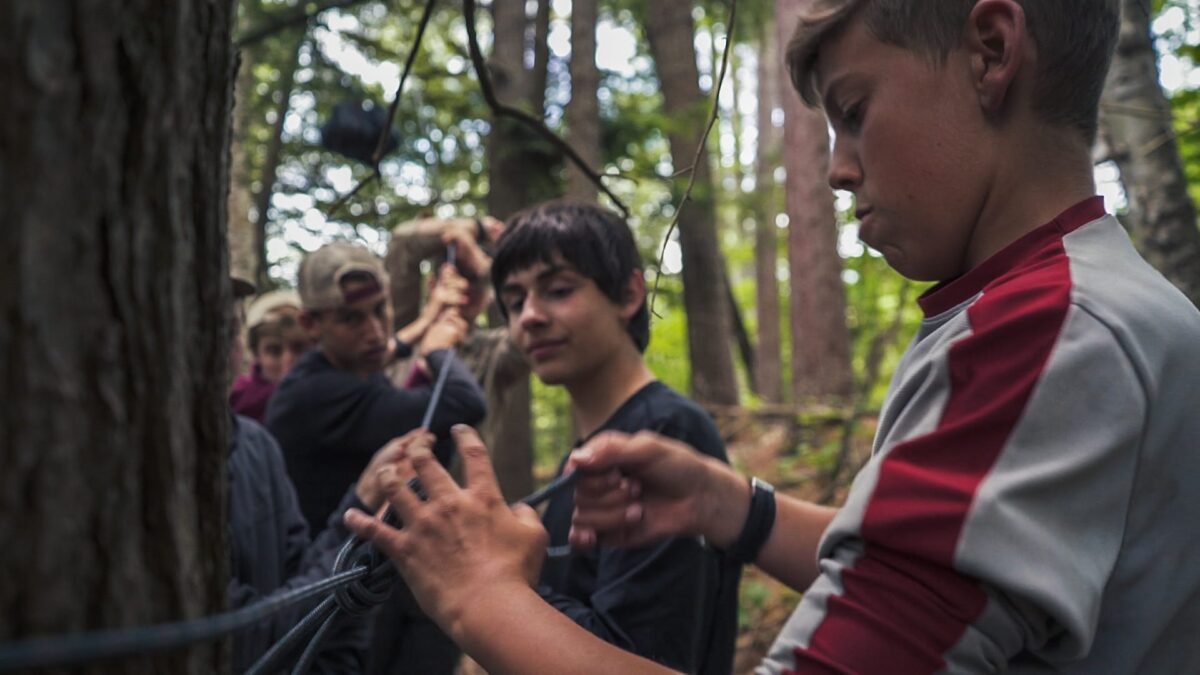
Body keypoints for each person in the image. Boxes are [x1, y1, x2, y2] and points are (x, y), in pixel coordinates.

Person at [343, 1, 1200, 673]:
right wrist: (731, 506)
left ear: (990, 50)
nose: (836, 167)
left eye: (854, 111)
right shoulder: (1110, 308)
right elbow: (950, 572)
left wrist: (481, 599)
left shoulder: (1048, 332)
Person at [390, 202, 742, 672]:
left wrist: (505, 583)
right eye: (514, 302)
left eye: (558, 290)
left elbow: (644, 658)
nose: (529, 317)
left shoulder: (666, 434)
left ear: (629, 293)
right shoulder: (584, 455)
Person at [265, 241, 486, 675]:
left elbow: (390, 352)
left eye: (380, 310)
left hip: (370, 599)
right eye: (351, 318)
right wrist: (439, 350)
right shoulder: (313, 395)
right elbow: (463, 403)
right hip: (334, 611)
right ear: (311, 324)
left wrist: (431, 317)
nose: (374, 329)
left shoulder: (347, 376)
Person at [224, 277, 415, 673]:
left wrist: (360, 506)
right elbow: (243, 641)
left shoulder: (256, 447)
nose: (218, 347)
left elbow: (305, 574)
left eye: (228, 329)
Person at [385, 215, 533, 500]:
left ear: (491, 294)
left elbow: (537, 320)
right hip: (384, 494)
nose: (466, 288)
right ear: (433, 284)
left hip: (458, 504)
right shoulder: (402, 334)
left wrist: (487, 267)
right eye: (458, 277)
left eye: (475, 280)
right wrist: (473, 227)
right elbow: (402, 243)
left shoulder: (495, 352)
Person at [230, 290, 312, 422]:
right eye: (274, 351)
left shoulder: (330, 396)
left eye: (299, 349)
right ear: (256, 354)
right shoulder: (236, 399)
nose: (288, 360)